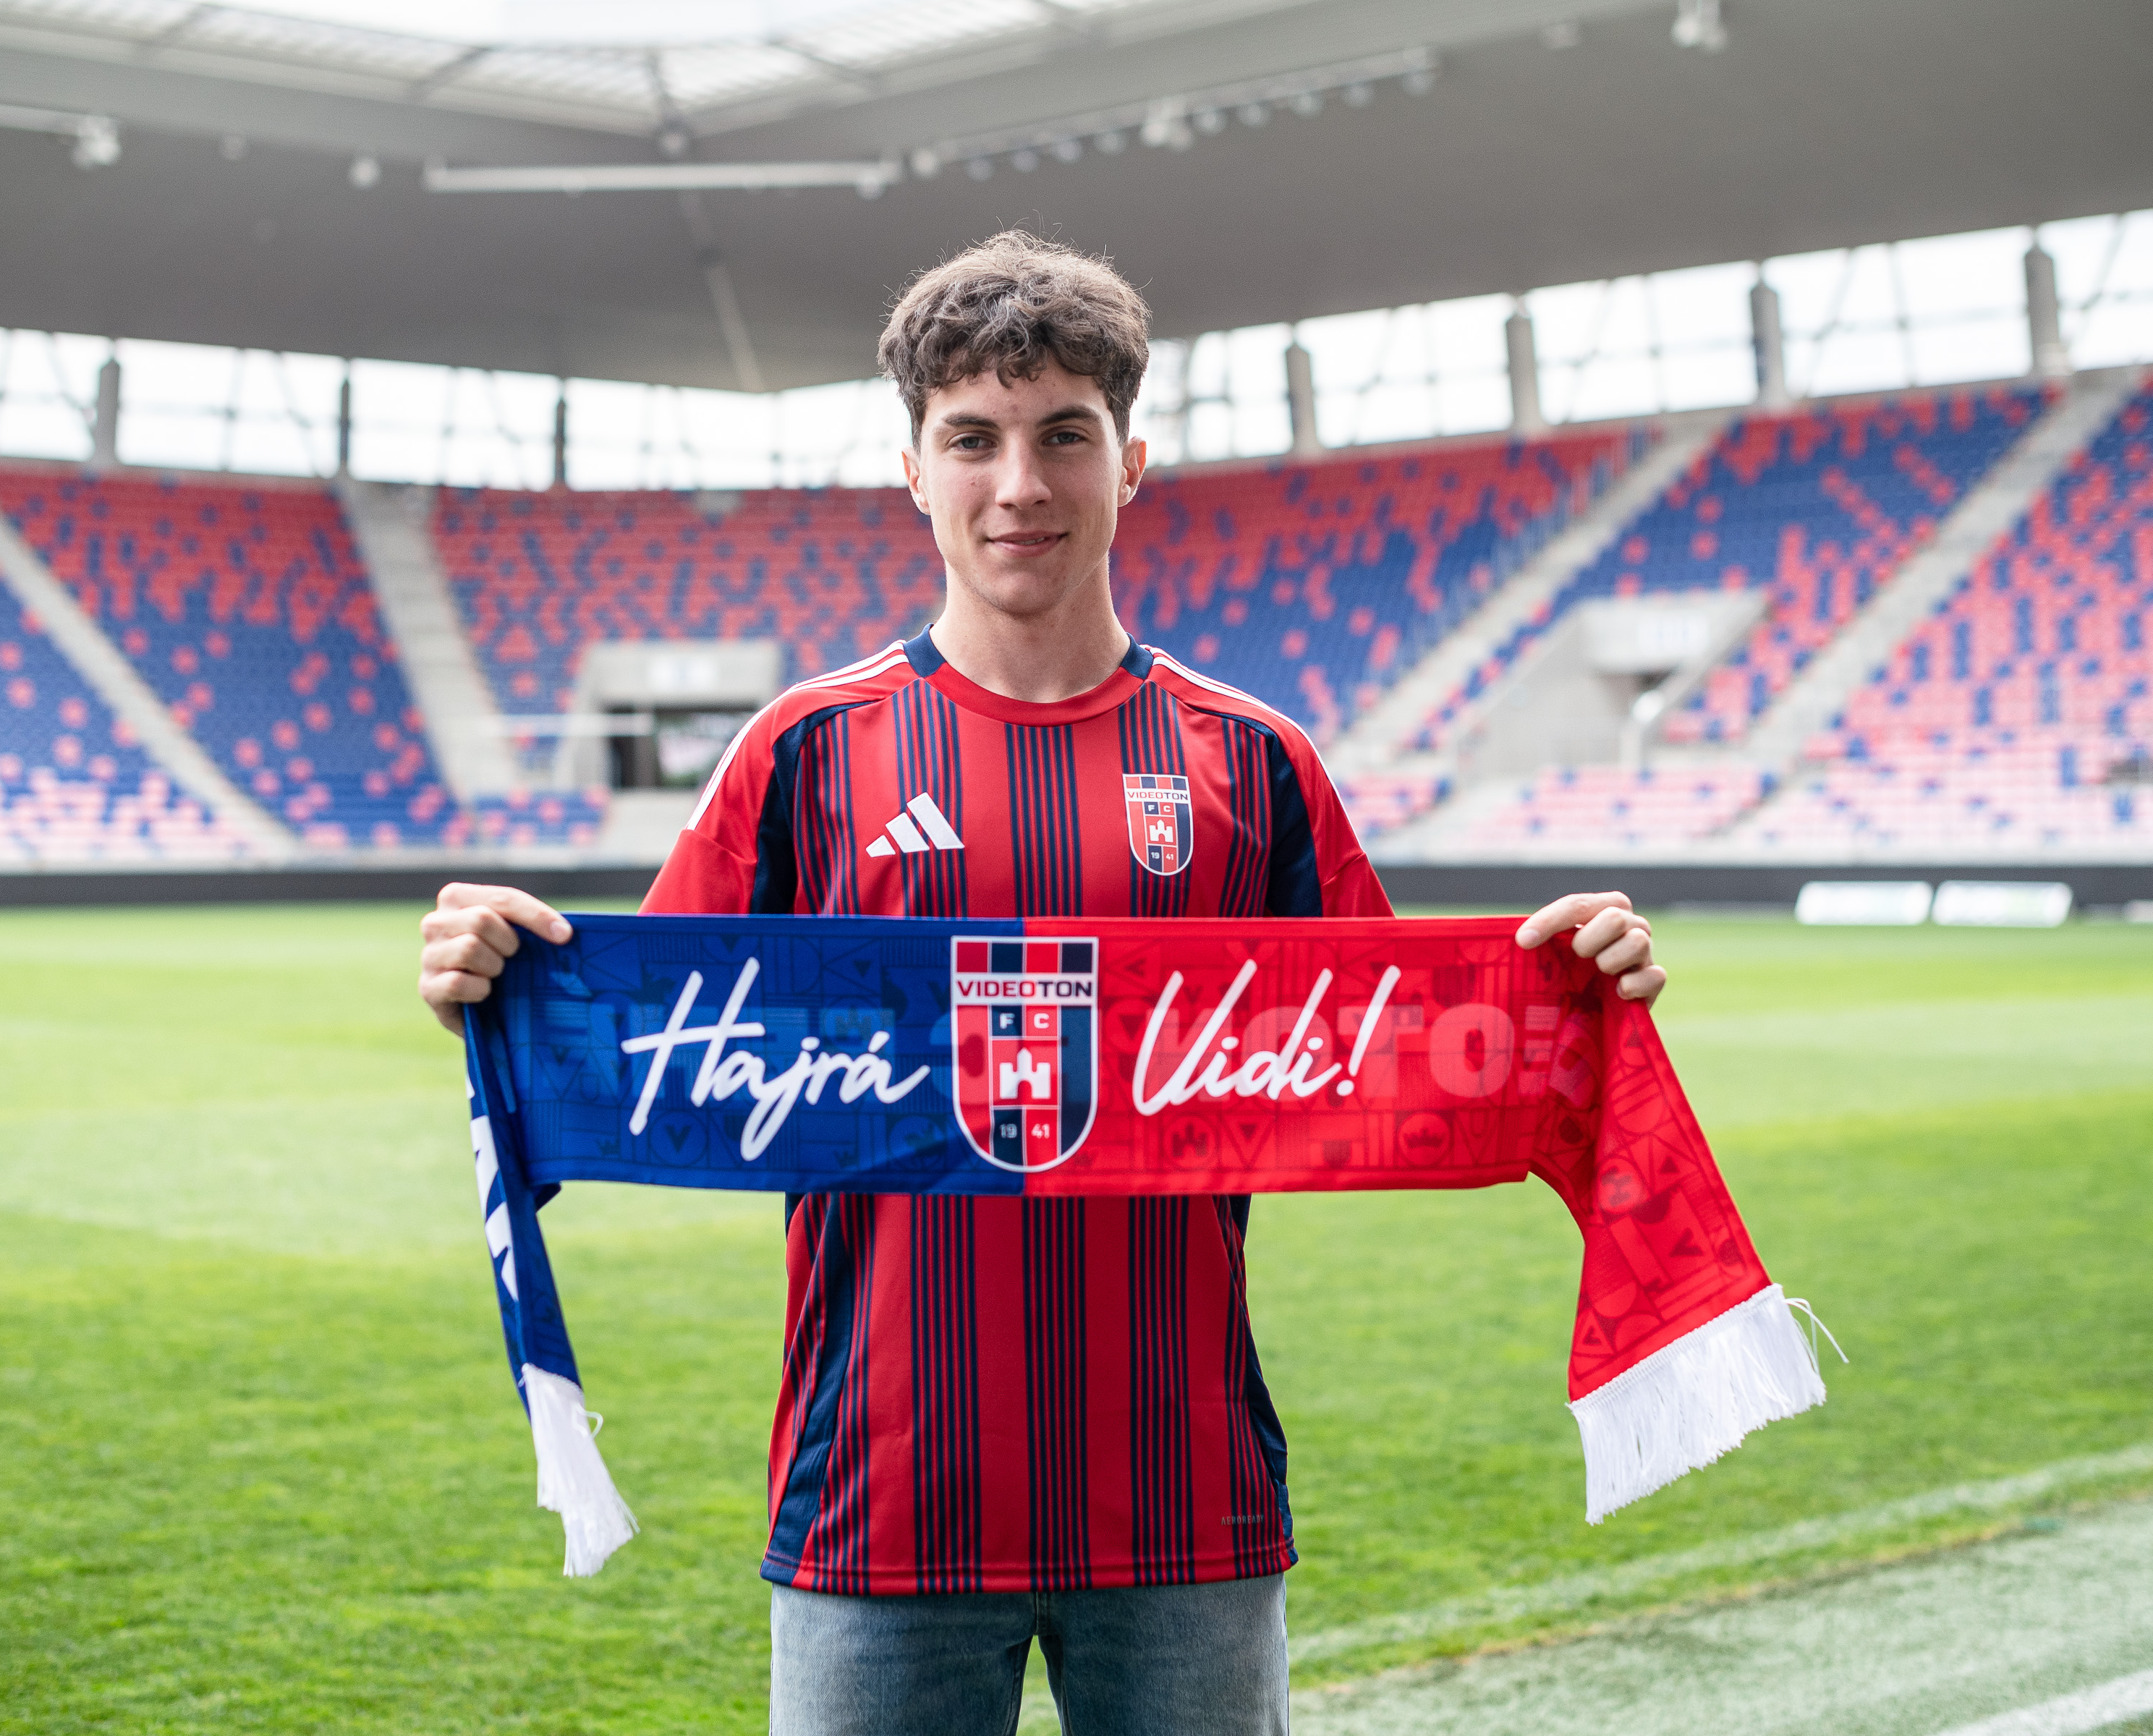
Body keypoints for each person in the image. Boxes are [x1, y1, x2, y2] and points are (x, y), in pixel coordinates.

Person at [418, 231, 1666, 1736]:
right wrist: (503, 979)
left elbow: (1409, 1056)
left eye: (1065, 435)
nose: (1020, 483)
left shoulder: (1254, 762)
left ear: (1130, 462)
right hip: (879, 1506)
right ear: (913, 470)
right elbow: (644, 1048)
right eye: (974, 439)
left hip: (1183, 1501)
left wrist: (1568, 986)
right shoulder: (802, 753)